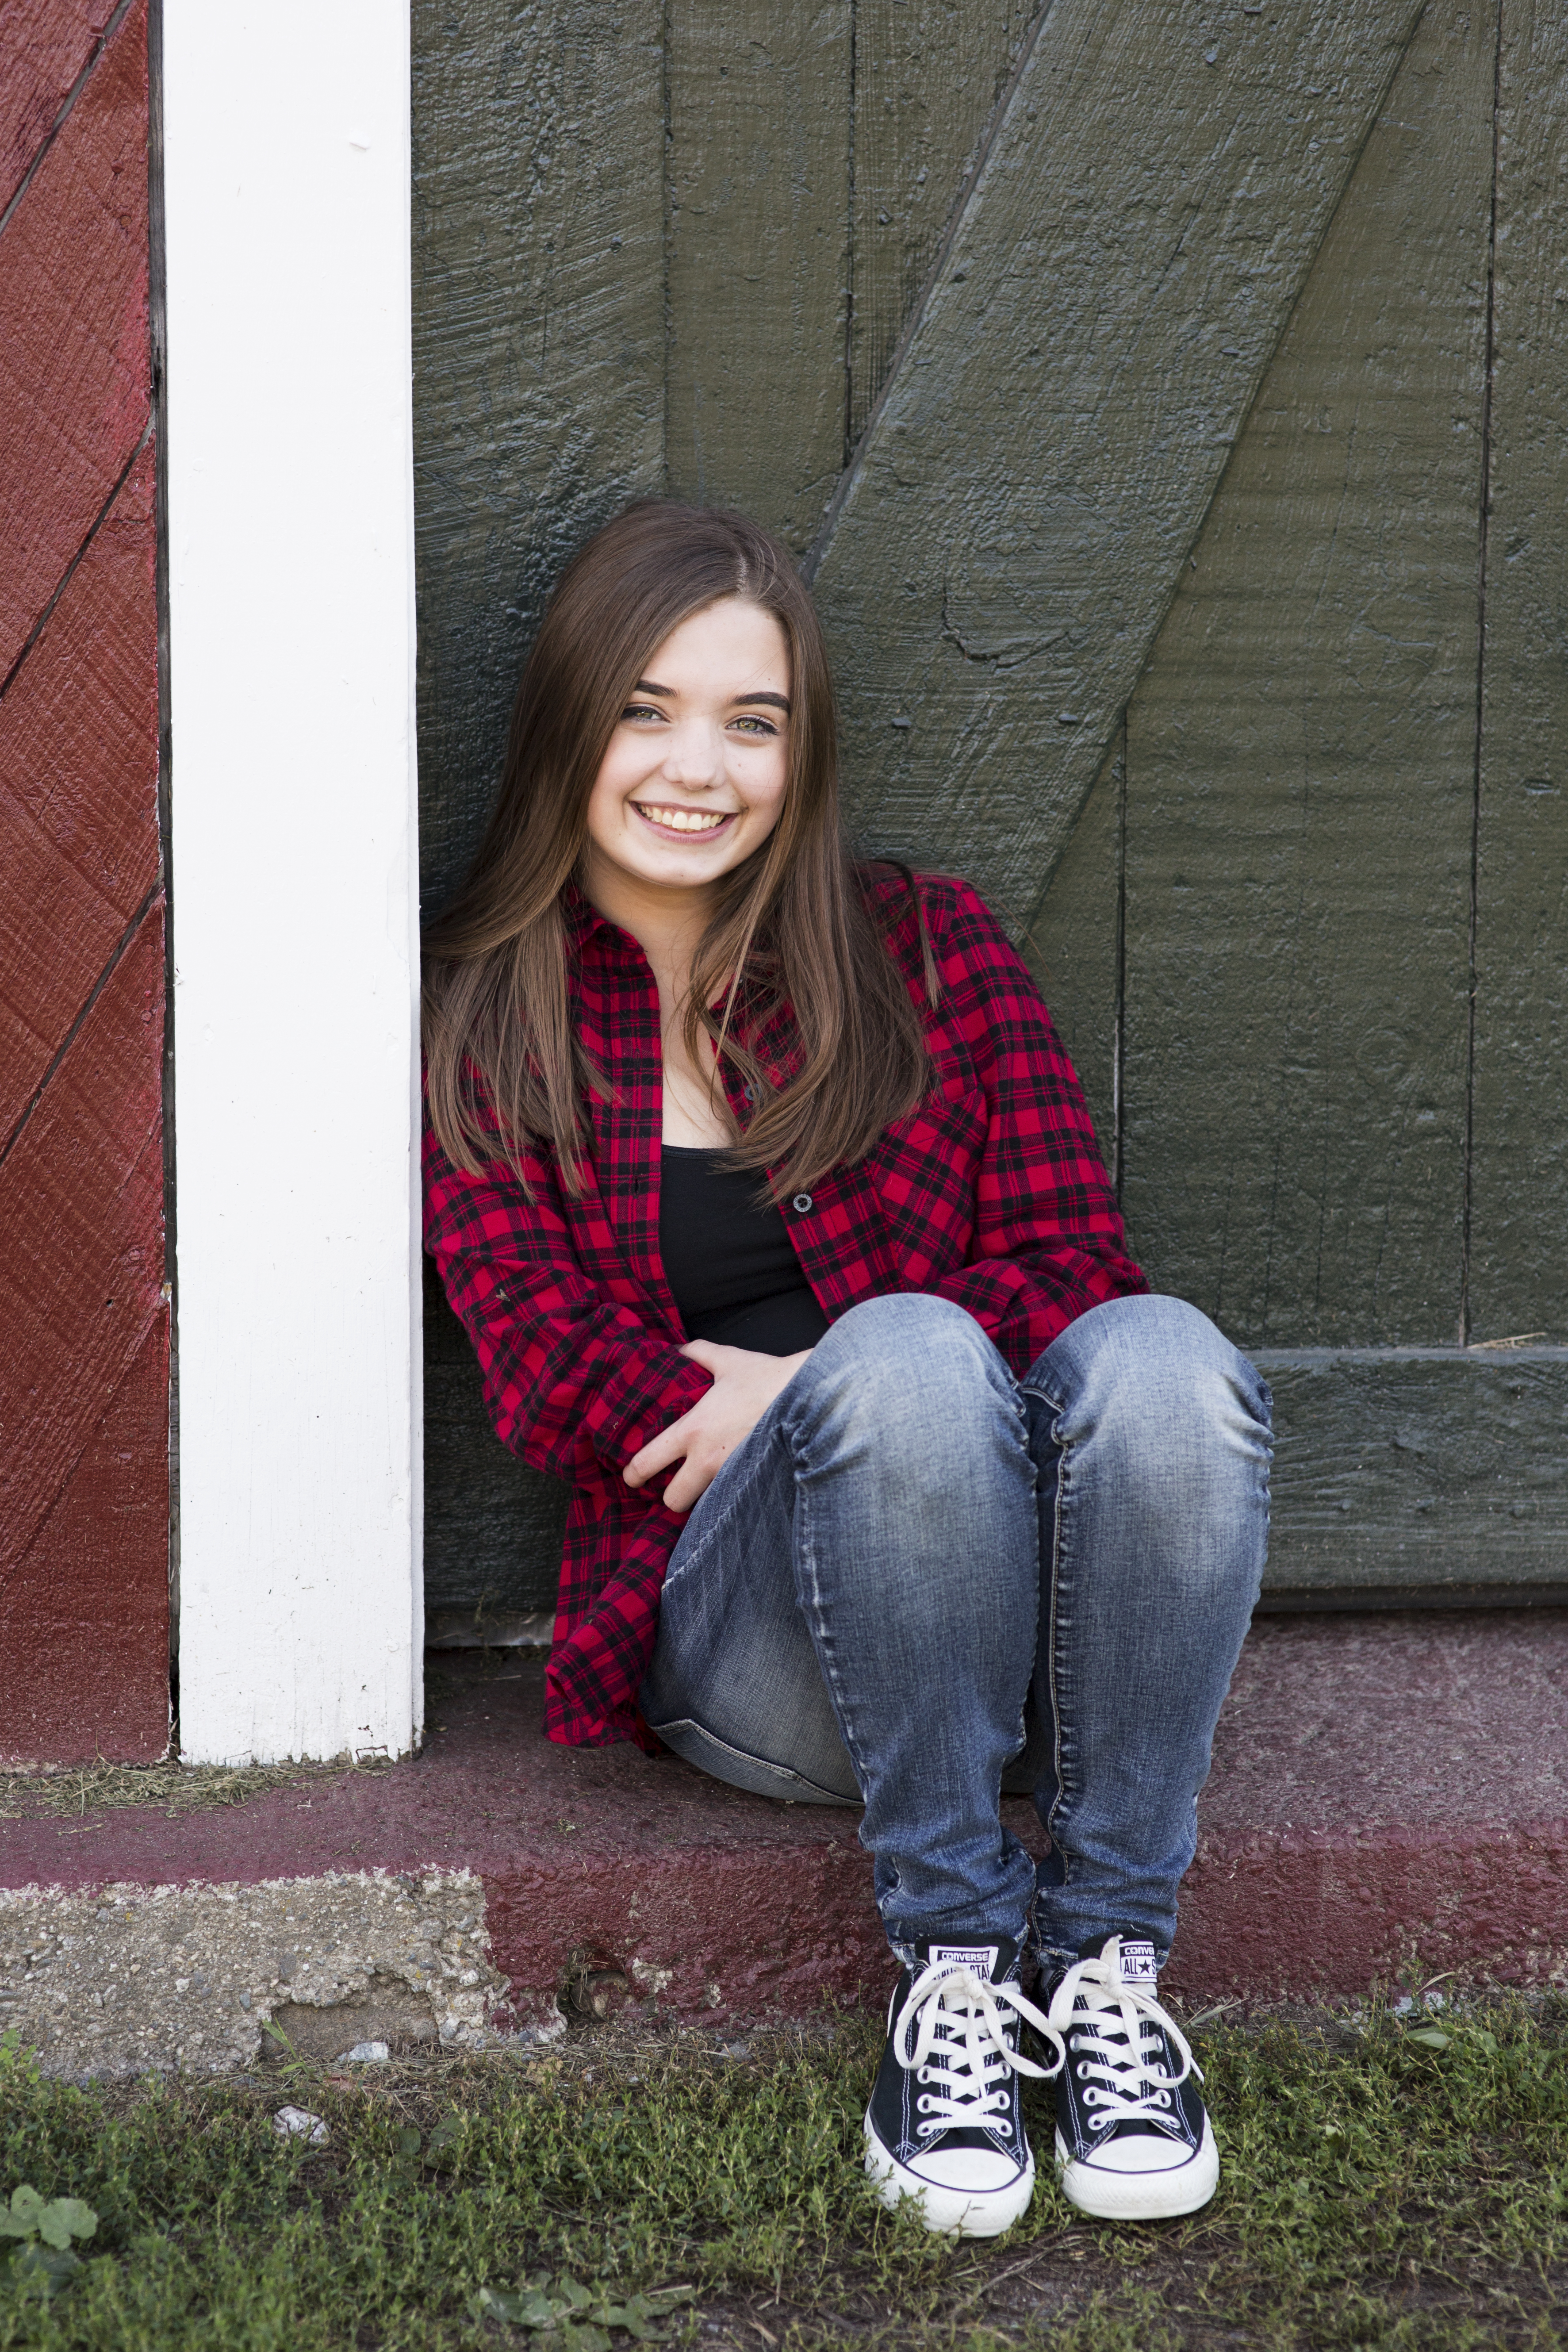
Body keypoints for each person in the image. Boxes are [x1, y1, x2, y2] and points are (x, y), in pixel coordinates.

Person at [422, 503, 1273, 2239]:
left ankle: (1105, 1970)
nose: (695, 766)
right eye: (646, 709)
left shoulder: (929, 951)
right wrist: (840, 1392)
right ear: (570, 724)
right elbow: (540, 1358)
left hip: (1034, 1633)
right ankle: (952, 1969)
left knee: (1166, 1355)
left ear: (799, 750)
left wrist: (823, 1382)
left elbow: (1076, 1277)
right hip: (748, 1654)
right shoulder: (483, 1007)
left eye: (751, 719)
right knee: (891, 1353)